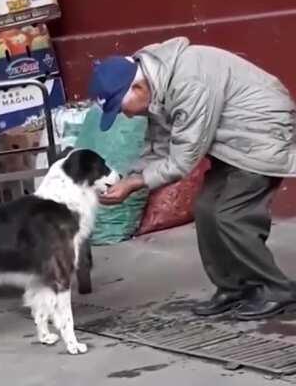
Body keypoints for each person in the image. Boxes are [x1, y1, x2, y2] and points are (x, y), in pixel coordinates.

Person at [88, 36, 296, 321]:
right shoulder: (156, 85)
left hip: (261, 132)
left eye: (120, 106)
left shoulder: (188, 83)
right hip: (229, 139)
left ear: (136, 87)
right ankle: (234, 287)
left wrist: (136, 184)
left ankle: (277, 289)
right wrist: (130, 176)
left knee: (231, 214)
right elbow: (160, 145)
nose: (124, 114)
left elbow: (184, 158)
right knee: (206, 209)